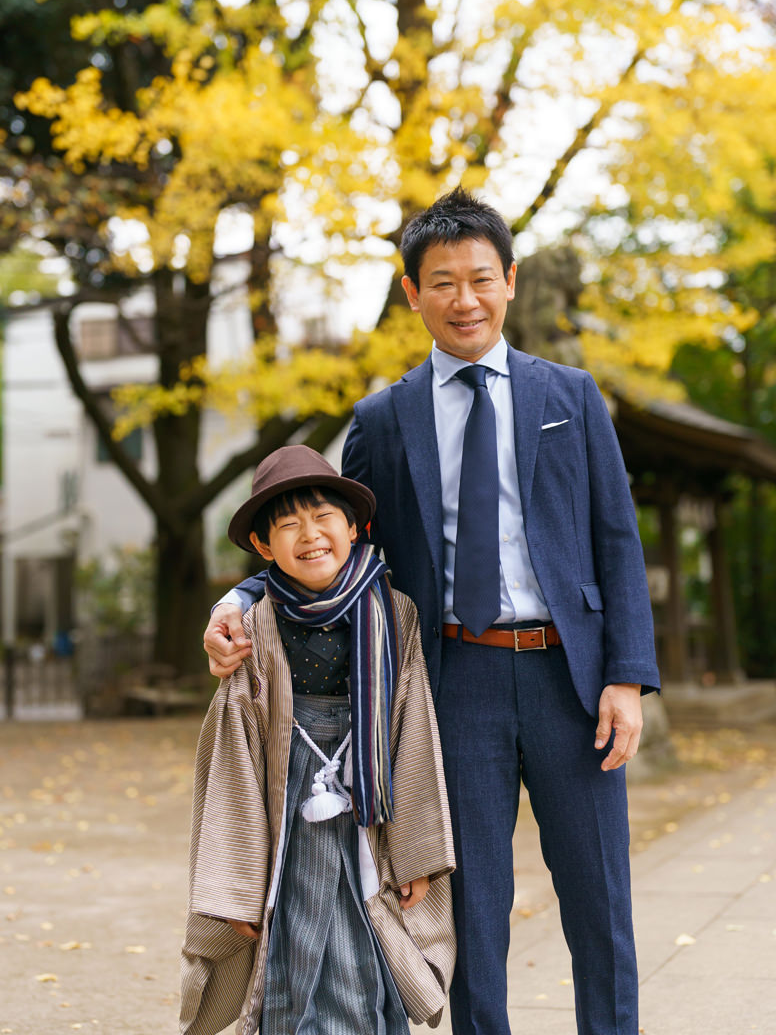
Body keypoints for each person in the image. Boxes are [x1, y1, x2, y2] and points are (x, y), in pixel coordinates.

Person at [204, 187, 661, 1035]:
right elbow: (334, 550)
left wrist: (628, 677)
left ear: (510, 281)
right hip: (454, 685)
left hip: (574, 678)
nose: (466, 300)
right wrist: (239, 597)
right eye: (442, 282)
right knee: (473, 911)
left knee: (601, 900)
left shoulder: (572, 396)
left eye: (481, 278)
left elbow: (616, 540)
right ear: (412, 293)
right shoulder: (383, 418)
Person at [181, 445, 456, 1035]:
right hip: (285, 817)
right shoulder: (250, 626)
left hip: (369, 808)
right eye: (287, 525)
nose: (310, 535)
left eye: (324, 517)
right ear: (262, 546)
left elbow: (412, 730)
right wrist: (239, 883)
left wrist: (414, 853)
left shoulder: (393, 612)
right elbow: (233, 756)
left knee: (364, 945)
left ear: (353, 528)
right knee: (294, 944)